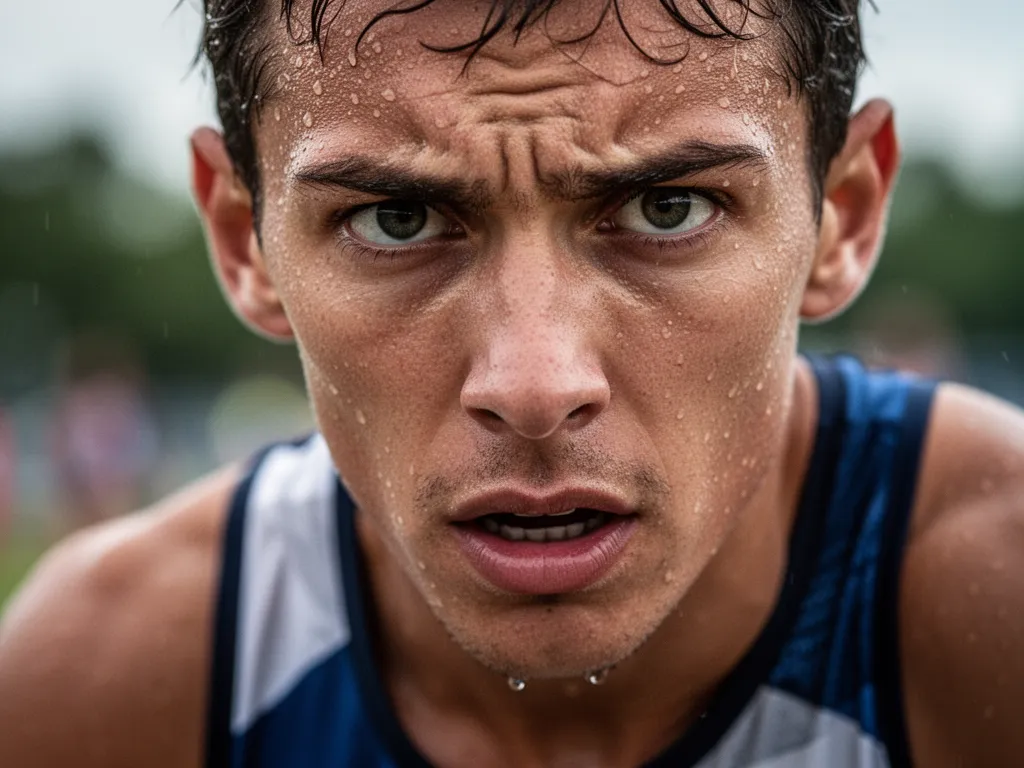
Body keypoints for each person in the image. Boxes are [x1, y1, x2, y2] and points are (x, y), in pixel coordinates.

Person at [2, 2, 1023, 766]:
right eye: (393, 221)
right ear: (244, 242)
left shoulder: (993, 609)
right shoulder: (102, 685)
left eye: (668, 208)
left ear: (840, 216)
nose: (535, 386)